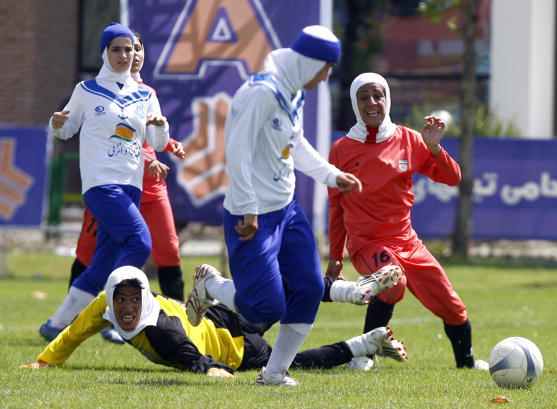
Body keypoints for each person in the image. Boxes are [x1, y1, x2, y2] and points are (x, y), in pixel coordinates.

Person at [185, 25, 363, 386]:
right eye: (325, 68)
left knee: (310, 288)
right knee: (265, 307)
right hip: (251, 215)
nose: (327, 76)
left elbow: (294, 143)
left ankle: (274, 373)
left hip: (287, 209)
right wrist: (249, 208)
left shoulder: (292, 90)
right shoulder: (260, 94)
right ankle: (211, 286)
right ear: (309, 62)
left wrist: (331, 175)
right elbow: (237, 151)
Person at [325, 72, 488, 371]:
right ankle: (364, 356)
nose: (372, 103)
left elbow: (453, 178)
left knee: (452, 306)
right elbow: (336, 210)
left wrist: (435, 148)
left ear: (388, 99)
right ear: (354, 103)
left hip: (408, 243)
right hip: (367, 245)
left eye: (378, 96)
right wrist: (335, 258)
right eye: (364, 97)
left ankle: (466, 365)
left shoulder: (410, 139)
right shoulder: (341, 149)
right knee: (392, 282)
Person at [22, 266, 407, 378]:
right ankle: (364, 333)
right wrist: (44, 361)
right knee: (274, 297)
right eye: (120, 299)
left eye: (133, 298)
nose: (124, 307)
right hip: (220, 325)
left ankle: (355, 307)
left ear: (144, 295)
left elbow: (189, 355)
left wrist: (211, 372)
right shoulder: (105, 302)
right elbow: (73, 333)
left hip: (232, 344)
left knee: (290, 360)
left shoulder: (158, 330)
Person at [39, 23, 171, 344]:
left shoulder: (145, 95)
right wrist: (57, 123)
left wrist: (161, 127)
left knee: (103, 262)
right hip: (101, 185)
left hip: (131, 185)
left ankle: (56, 325)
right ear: (104, 53)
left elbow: (157, 139)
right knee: (140, 242)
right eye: (116, 49)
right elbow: (65, 130)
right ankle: (112, 313)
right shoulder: (87, 90)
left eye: (129, 49)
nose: (124, 55)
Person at [68, 32, 187, 304]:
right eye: (121, 49)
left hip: (151, 187)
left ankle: (178, 319)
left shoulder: (147, 93)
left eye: (136, 48)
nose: (130, 54)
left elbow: (151, 136)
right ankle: (73, 316)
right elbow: (112, 138)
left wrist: (170, 145)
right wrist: (149, 160)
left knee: (167, 250)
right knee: (88, 251)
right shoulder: (98, 92)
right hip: (112, 184)